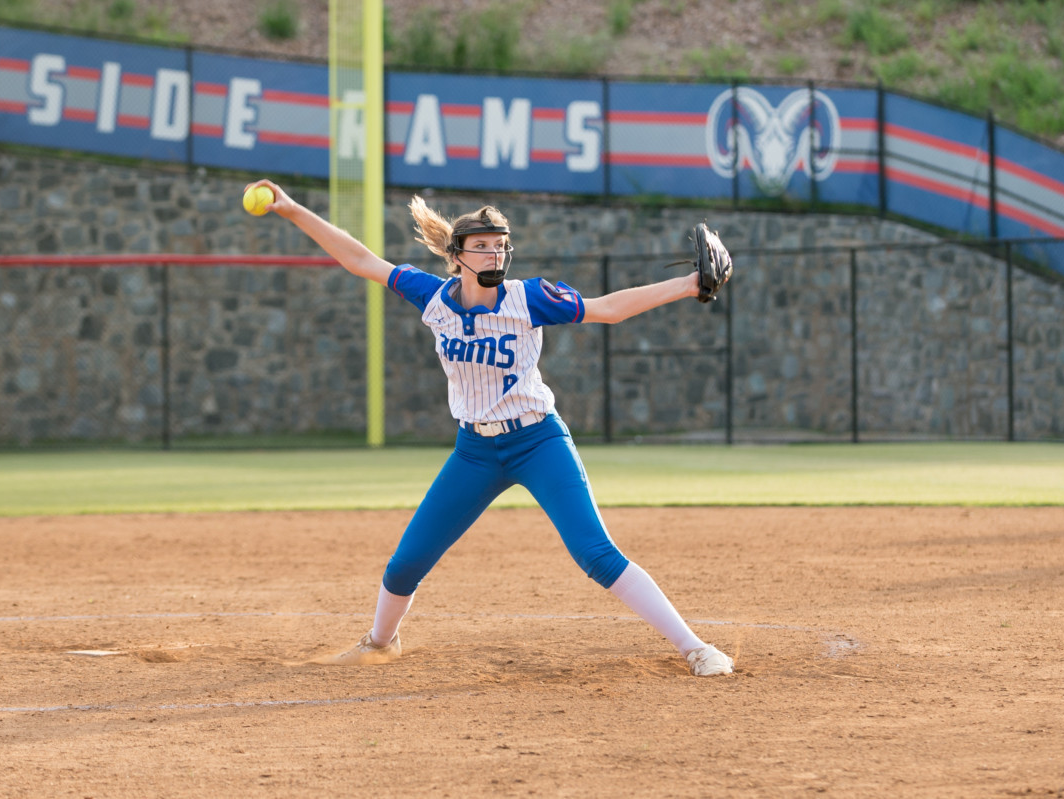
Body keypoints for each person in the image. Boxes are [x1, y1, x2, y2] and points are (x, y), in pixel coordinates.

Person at [246, 180, 734, 677]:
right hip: (474, 452)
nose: (493, 253)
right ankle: (379, 642)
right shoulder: (432, 296)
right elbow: (361, 260)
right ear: (456, 257)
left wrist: (692, 284)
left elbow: (608, 308)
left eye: (500, 245)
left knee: (595, 554)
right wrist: (292, 210)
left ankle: (695, 648)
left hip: (537, 440)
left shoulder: (530, 298)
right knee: (405, 564)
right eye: (481, 246)